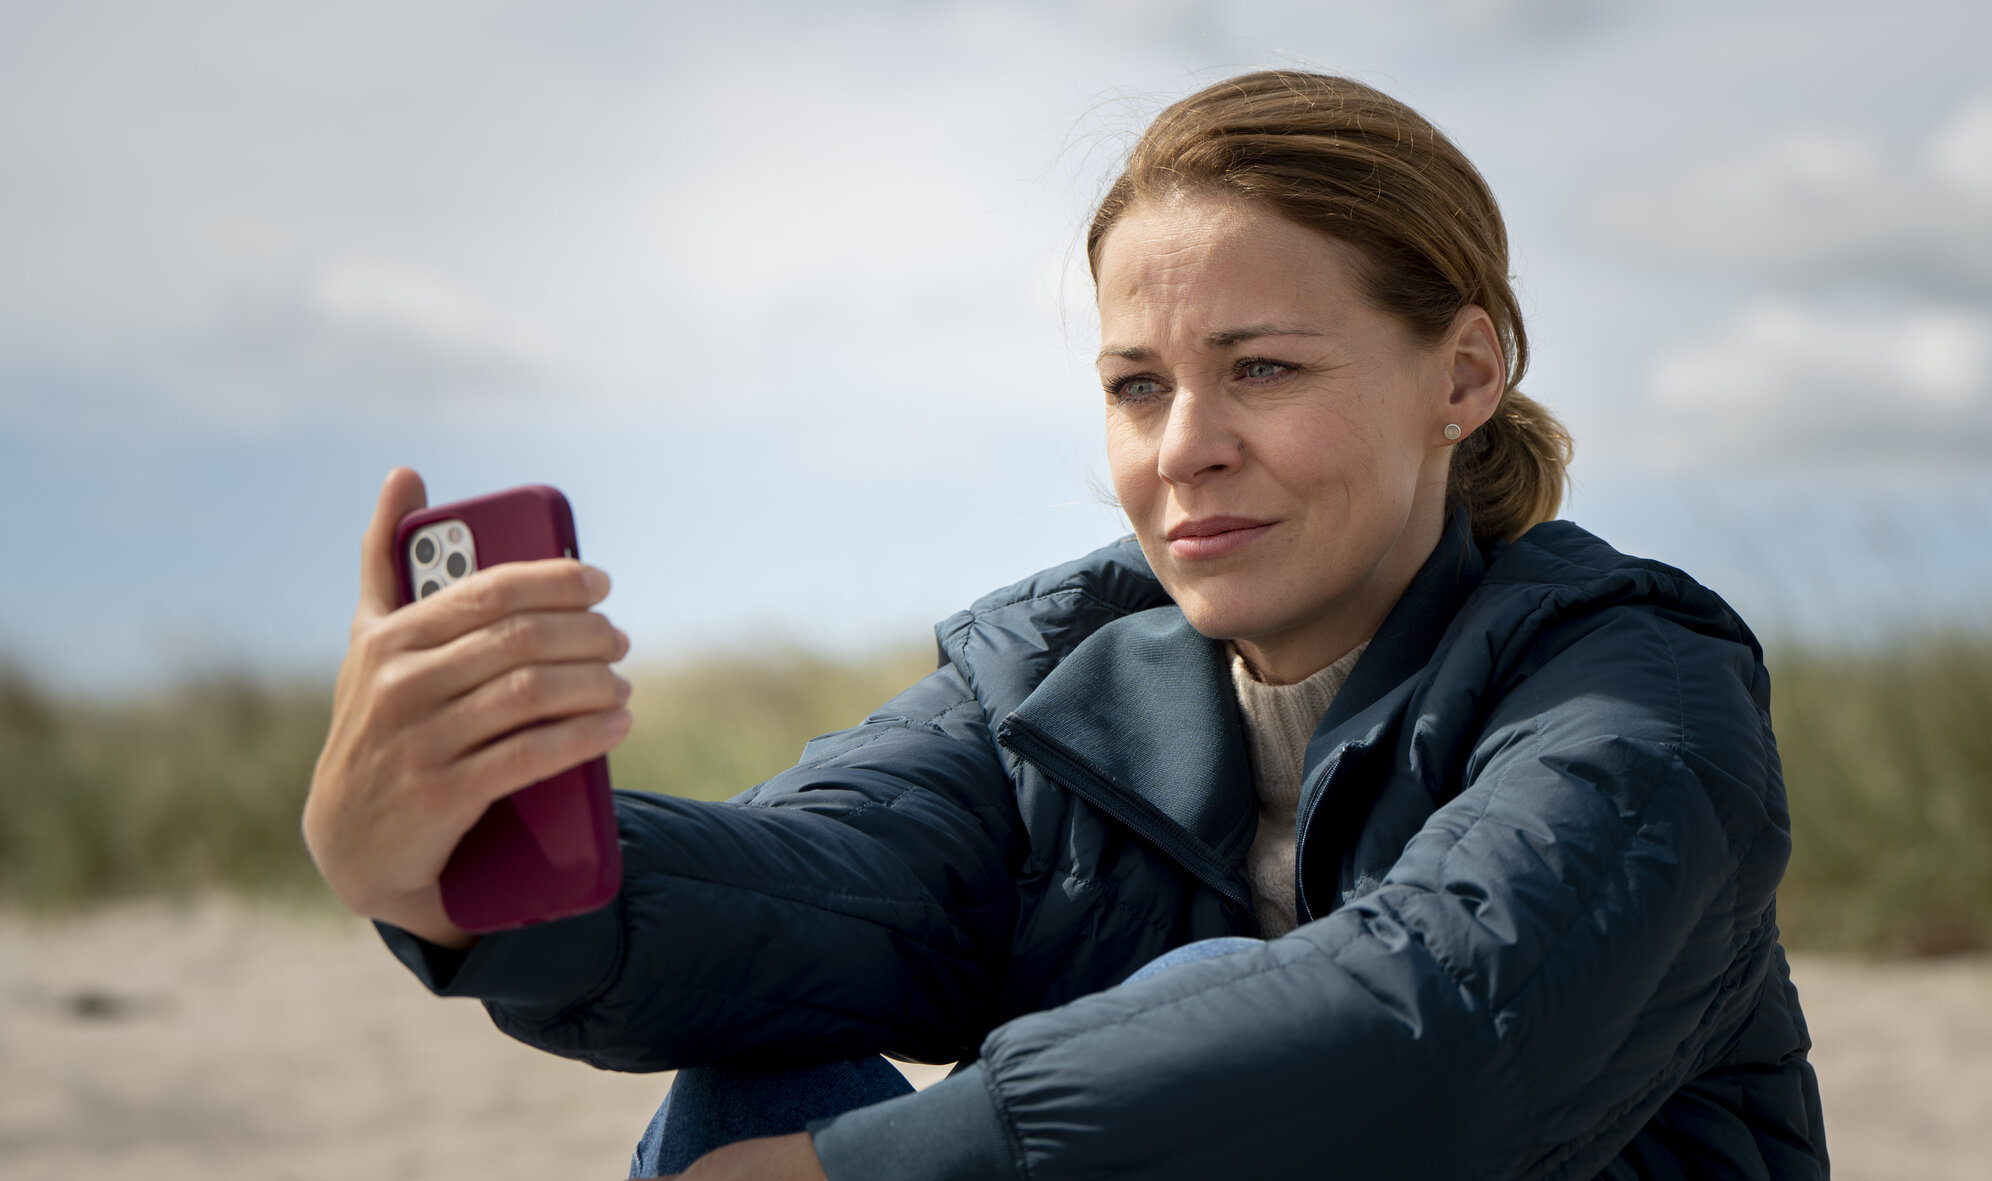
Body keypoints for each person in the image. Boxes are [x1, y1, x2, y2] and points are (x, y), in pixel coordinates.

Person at [304, 70, 1829, 1179]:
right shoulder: (1046, 679)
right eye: (1138, 386)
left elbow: (1440, 1030)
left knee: (1184, 1008)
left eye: (1265, 368)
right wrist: (465, 877)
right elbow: (806, 893)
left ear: (1465, 375)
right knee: (749, 1082)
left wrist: (883, 1170)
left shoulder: (1634, 685)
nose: (1186, 448)